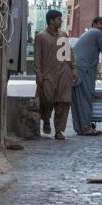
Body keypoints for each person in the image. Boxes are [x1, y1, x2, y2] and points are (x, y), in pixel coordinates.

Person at [34, 10, 78, 140]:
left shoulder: (63, 35)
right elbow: (37, 57)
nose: (61, 21)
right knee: (46, 99)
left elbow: (68, 53)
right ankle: (46, 119)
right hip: (48, 74)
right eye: (59, 19)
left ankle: (59, 130)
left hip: (64, 73)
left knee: (63, 101)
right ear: (51, 20)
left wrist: (73, 68)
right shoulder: (41, 37)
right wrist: (38, 74)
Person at [71, 17, 102, 136]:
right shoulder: (97, 33)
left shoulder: (87, 34)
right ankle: (85, 128)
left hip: (76, 69)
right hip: (84, 70)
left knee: (77, 100)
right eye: (101, 23)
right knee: (85, 98)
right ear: (94, 24)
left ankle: (80, 128)